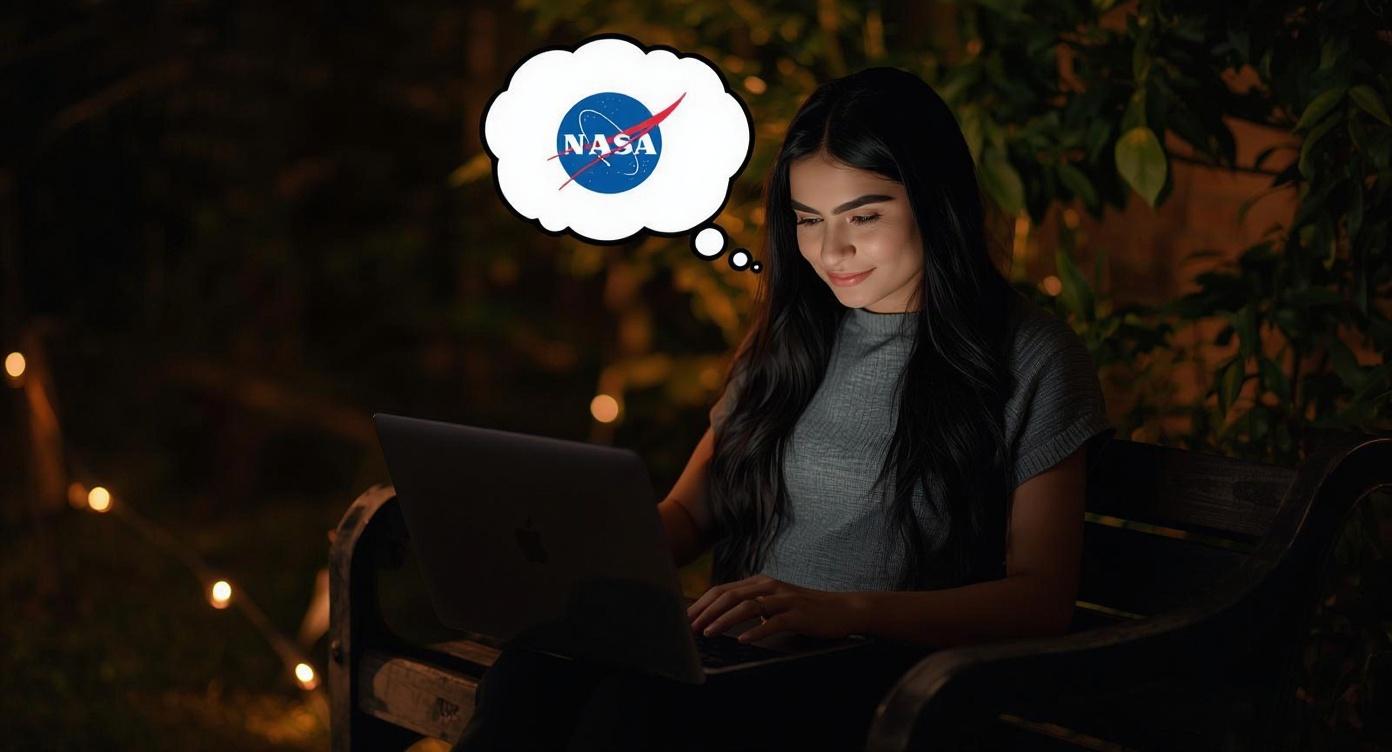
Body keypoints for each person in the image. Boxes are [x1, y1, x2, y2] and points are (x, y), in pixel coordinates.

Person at [451, 65, 1115, 751]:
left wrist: (841, 611)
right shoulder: (793, 335)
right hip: (737, 650)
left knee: (631, 715)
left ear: (935, 202)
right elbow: (690, 510)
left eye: (865, 215)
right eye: (808, 221)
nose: (832, 251)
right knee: (529, 672)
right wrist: (585, 570)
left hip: (887, 673)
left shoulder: (1029, 355)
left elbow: (1041, 598)